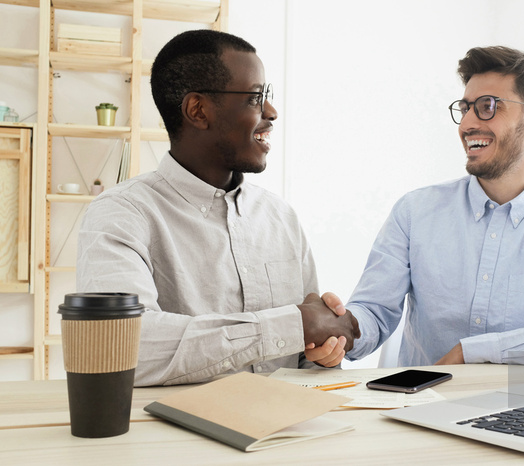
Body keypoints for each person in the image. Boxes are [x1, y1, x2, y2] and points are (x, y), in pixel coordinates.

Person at [76, 29, 358, 386]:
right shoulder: (120, 214)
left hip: (287, 430)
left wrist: (324, 351)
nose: (271, 112)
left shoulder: (280, 217)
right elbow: (119, 343)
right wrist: (292, 325)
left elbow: (307, 356)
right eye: (256, 98)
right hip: (177, 437)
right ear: (198, 110)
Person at [329, 46, 524, 367]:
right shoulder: (414, 212)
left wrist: (476, 352)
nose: (467, 124)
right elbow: (374, 311)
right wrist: (339, 331)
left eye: (488, 106)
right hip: (419, 405)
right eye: (465, 109)